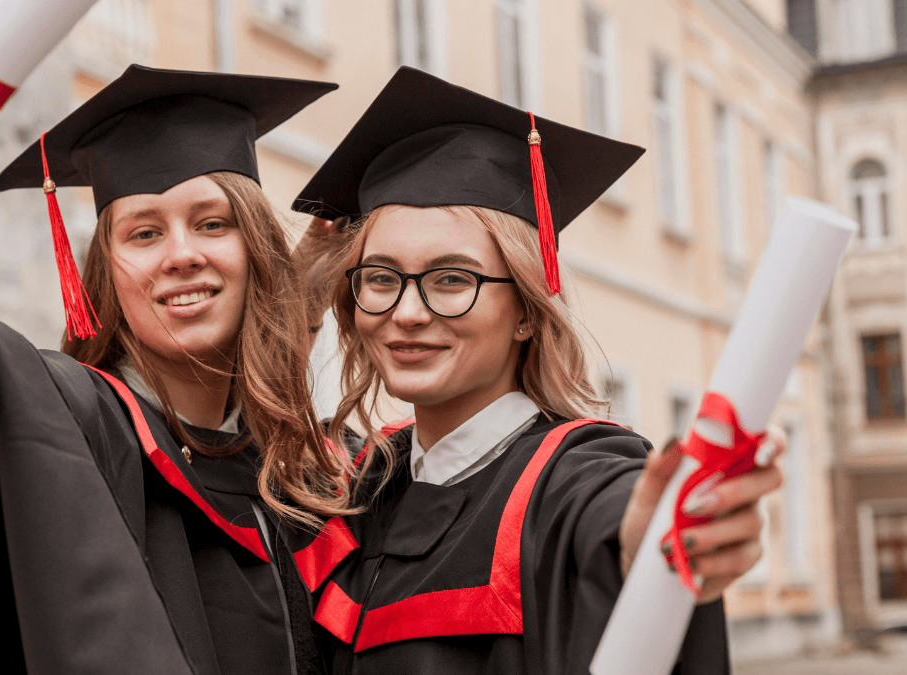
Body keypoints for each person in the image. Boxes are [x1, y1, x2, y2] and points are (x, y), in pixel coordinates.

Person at [0, 65, 361, 675]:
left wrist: (294, 313)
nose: (181, 254)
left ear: (257, 250)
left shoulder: (306, 468)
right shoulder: (85, 422)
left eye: (213, 224)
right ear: (105, 271)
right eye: (144, 233)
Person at [291, 67, 786, 674]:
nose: (408, 312)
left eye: (452, 279)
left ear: (526, 310)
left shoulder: (573, 474)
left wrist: (648, 539)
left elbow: (615, 516)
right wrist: (296, 295)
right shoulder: (364, 482)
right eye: (382, 279)